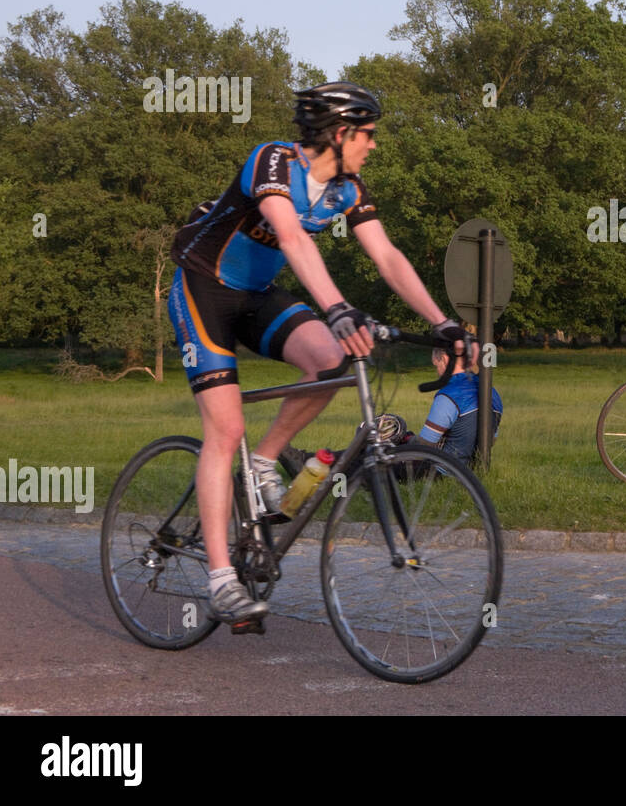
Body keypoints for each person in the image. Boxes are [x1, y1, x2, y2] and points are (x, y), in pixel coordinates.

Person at [167, 81, 463, 628]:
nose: (373, 145)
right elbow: (294, 240)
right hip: (202, 289)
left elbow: (387, 256)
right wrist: (337, 307)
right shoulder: (273, 162)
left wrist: (440, 321)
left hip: (254, 296)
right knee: (225, 428)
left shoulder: (346, 189)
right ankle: (221, 582)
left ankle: (261, 464)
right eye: (368, 134)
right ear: (341, 132)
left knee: (330, 359)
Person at [414, 346, 502, 468]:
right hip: (472, 470)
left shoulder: (448, 396)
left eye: (436, 365)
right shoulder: (493, 393)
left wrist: (405, 441)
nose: (437, 371)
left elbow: (424, 445)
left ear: (444, 359)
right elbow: (491, 440)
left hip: (444, 471)